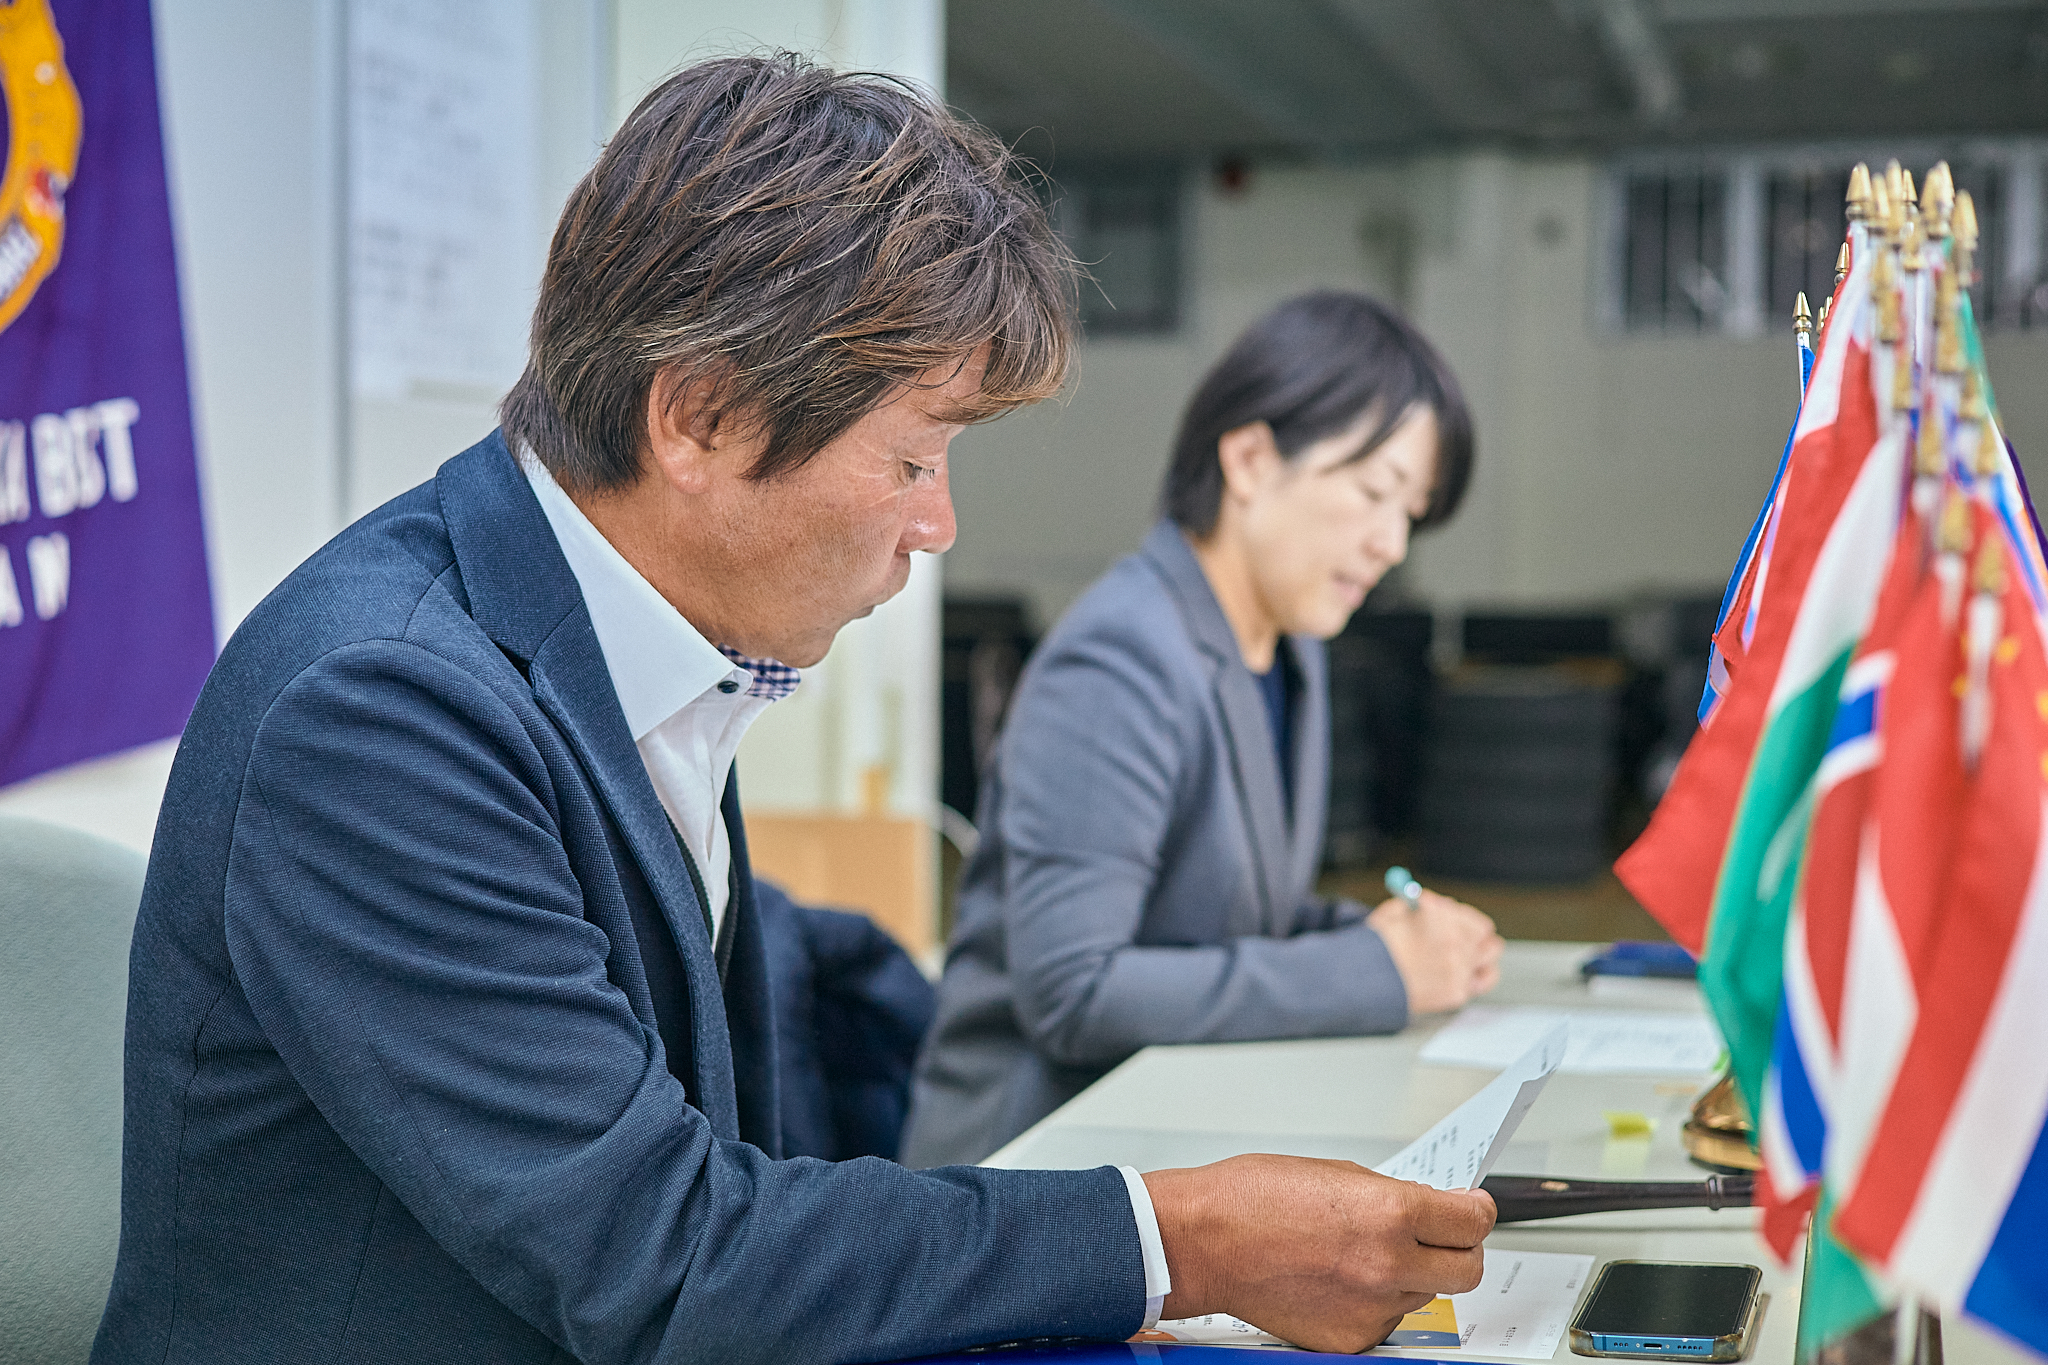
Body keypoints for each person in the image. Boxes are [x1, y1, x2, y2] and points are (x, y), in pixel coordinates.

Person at [92, 59, 1494, 1365]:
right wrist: (1180, 1238)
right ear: (698, 416)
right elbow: (666, 1257)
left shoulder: (641, 638)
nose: (940, 524)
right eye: (910, 461)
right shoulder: (381, 715)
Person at [903, 293, 1506, 1170]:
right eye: (1375, 492)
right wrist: (1375, 974)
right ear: (1252, 459)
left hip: (1160, 1134)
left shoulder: (1284, 650)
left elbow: (1221, 911)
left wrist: (1383, 935)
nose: (1389, 543)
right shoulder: (1121, 659)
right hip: (1026, 1171)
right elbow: (1076, 992)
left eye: (1410, 513)